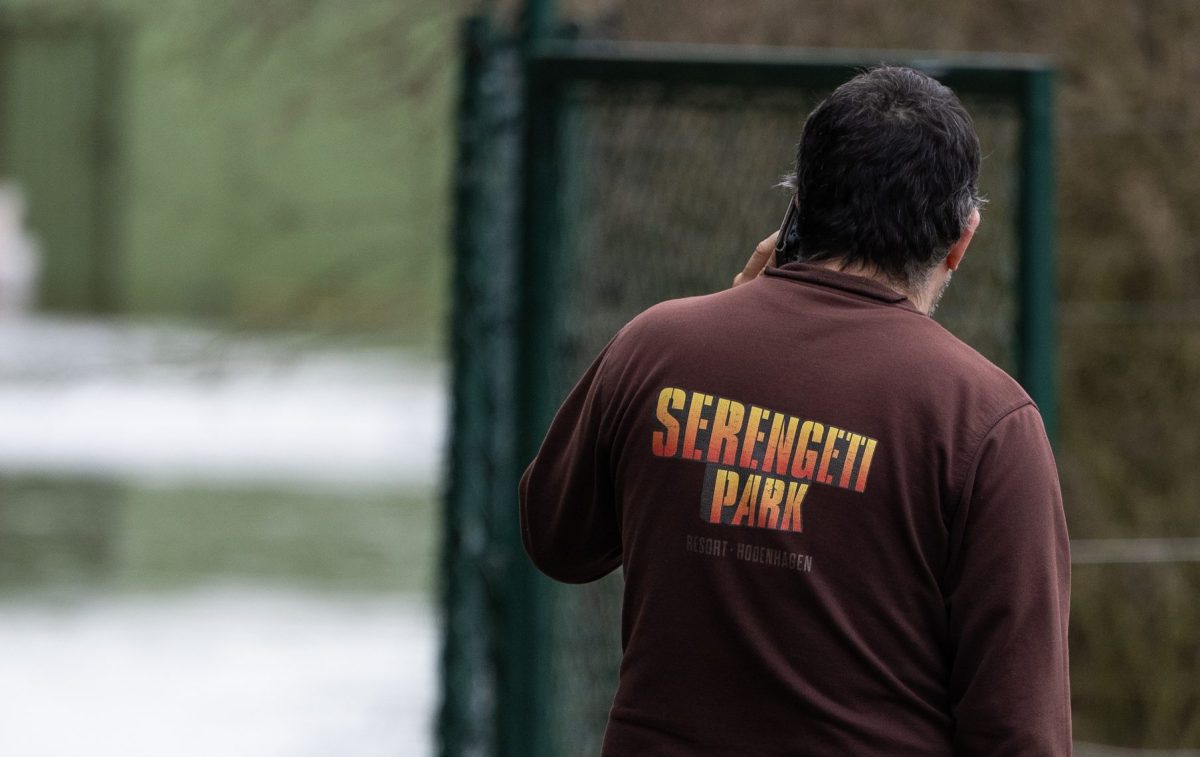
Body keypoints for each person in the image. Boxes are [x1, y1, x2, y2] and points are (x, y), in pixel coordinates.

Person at [520, 66, 1071, 755]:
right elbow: (1019, 730)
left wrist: (728, 319)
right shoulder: (987, 421)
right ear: (962, 239)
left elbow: (555, 536)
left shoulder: (656, 345)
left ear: (796, 208)